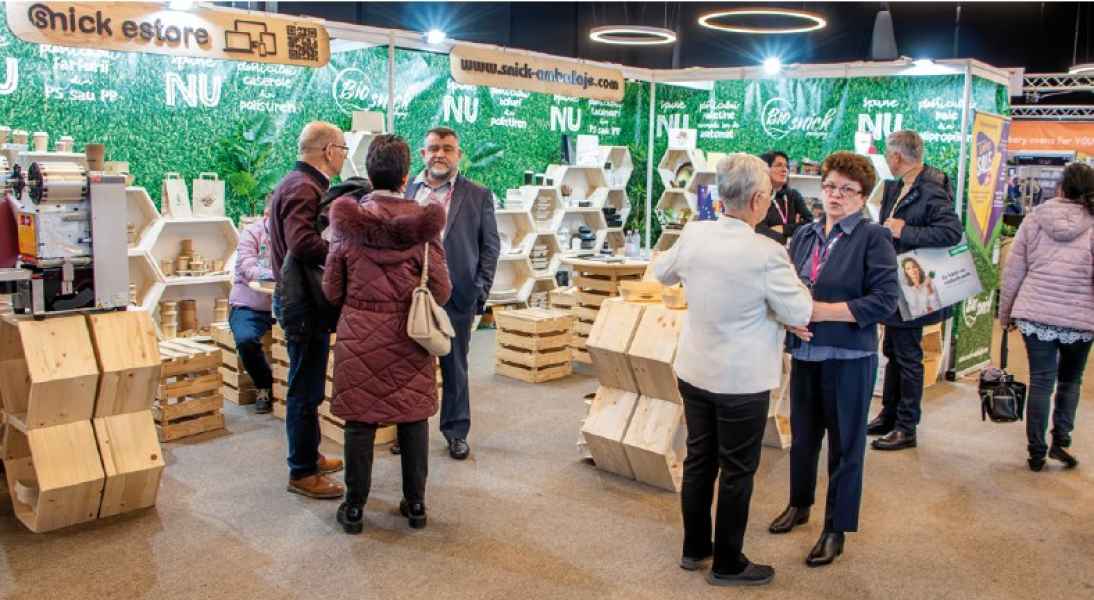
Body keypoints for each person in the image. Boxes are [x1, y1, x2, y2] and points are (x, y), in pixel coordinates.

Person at [654, 153, 813, 587]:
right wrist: (777, 313)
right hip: (741, 380)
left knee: (699, 459)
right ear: (758, 200)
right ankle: (727, 562)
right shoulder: (767, 253)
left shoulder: (694, 234)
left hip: (695, 370)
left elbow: (661, 273)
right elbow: (800, 310)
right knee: (737, 470)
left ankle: (695, 548)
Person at [769, 152, 899, 567]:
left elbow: (884, 301)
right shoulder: (805, 235)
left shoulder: (873, 238)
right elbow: (790, 287)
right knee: (803, 437)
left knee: (845, 445)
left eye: (846, 189)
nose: (835, 195)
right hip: (806, 351)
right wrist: (790, 317)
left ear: (863, 196)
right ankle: (799, 504)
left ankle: (835, 528)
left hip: (849, 356)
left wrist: (823, 311)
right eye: (829, 186)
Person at [323, 134, 451, 534]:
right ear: (406, 175)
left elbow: (332, 289)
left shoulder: (347, 224)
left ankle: (354, 508)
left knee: (360, 422)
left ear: (369, 172)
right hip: (410, 336)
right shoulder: (424, 226)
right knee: (412, 419)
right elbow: (442, 290)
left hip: (359, 335)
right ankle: (416, 505)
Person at [403, 127, 499, 460]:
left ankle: (456, 432)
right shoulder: (407, 192)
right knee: (409, 364)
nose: (439, 154)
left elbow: (490, 247)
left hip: (457, 296)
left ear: (459, 154)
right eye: (433, 148)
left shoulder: (477, 195)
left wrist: (479, 292)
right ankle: (408, 430)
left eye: (447, 148)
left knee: (454, 366)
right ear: (423, 154)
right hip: (410, 294)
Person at [868, 130, 962, 451]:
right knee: (893, 350)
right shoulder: (898, 186)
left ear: (897, 156)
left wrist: (904, 230)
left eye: (888, 154)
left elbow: (950, 232)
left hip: (915, 283)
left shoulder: (931, 188)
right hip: (896, 280)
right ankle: (889, 415)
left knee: (908, 356)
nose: (887, 159)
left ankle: (906, 426)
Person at [269, 121, 348, 499]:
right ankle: (301, 471)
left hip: (300, 299)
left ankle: (310, 456)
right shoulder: (304, 187)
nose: (344, 156)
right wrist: (343, 253)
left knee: (308, 385)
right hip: (303, 303)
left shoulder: (295, 183)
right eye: (343, 149)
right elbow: (302, 243)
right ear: (329, 150)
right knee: (305, 389)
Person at [999, 162, 1094, 472]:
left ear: (1060, 187)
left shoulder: (1034, 218)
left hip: (1035, 313)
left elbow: (1014, 270)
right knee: (1071, 381)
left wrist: (1005, 313)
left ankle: (1036, 451)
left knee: (1041, 382)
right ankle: (1060, 442)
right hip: (1080, 318)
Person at [228, 204, 275, 414]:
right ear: (267, 213)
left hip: (283, 303)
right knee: (245, 339)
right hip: (250, 304)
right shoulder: (251, 233)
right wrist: (282, 274)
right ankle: (264, 385)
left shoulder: (293, 232)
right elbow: (249, 268)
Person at [756, 150, 812, 245]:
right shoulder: (757, 196)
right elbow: (758, 229)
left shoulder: (793, 195)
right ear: (765, 169)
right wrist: (789, 236)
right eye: (779, 165)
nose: (784, 169)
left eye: (786, 166)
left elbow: (809, 224)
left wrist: (785, 229)